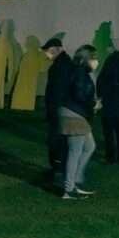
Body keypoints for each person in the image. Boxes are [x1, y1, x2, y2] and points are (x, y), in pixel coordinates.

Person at [59, 45, 99, 199]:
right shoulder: (81, 73)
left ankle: (75, 180)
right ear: (87, 59)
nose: (96, 61)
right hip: (74, 114)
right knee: (75, 152)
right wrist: (93, 104)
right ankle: (69, 189)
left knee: (89, 146)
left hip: (73, 113)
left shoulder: (76, 71)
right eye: (94, 57)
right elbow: (79, 95)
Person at [42, 37, 72, 180]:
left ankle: (57, 168)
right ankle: (58, 167)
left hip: (58, 109)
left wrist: (53, 109)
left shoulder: (59, 66)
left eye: (48, 51)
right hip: (62, 109)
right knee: (60, 140)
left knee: (56, 140)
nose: (47, 54)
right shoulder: (65, 63)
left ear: (56, 50)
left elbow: (56, 90)